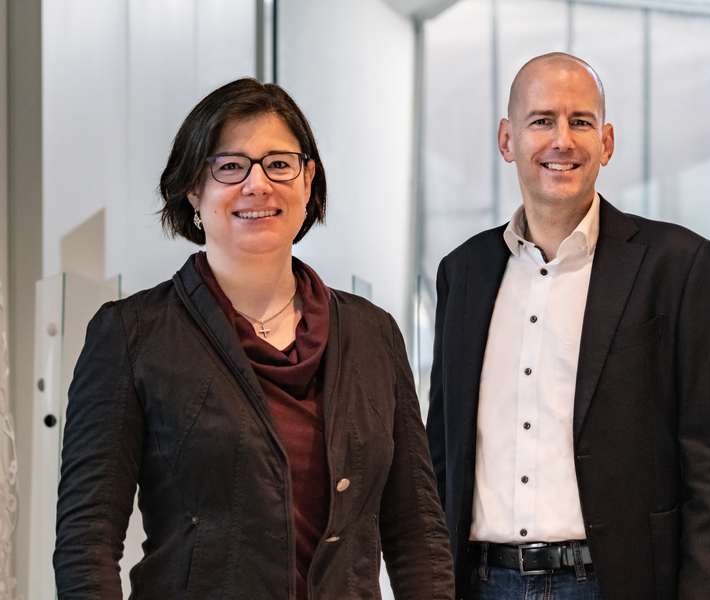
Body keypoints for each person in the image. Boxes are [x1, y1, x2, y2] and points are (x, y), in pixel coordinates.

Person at [53, 78, 455, 599]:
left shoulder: (372, 333)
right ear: (193, 189)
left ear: (307, 182)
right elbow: (86, 542)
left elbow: (417, 533)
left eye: (279, 163)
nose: (258, 184)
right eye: (230, 166)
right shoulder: (133, 335)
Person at [426, 52, 710, 599]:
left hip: (613, 583)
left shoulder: (677, 265)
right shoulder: (463, 273)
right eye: (541, 120)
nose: (562, 140)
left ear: (606, 142)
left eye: (580, 121)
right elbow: (440, 456)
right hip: (479, 582)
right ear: (507, 139)